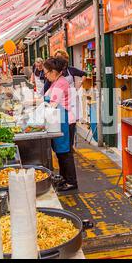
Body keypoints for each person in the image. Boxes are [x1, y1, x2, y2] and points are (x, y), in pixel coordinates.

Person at [43, 58, 78, 192]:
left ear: (53, 71)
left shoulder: (60, 83)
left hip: (65, 121)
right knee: (60, 153)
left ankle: (71, 181)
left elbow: (53, 103)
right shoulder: (55, 82)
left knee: (65, 153)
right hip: (58, 121)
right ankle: (64, 178)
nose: (45, 75)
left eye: (46, 73)